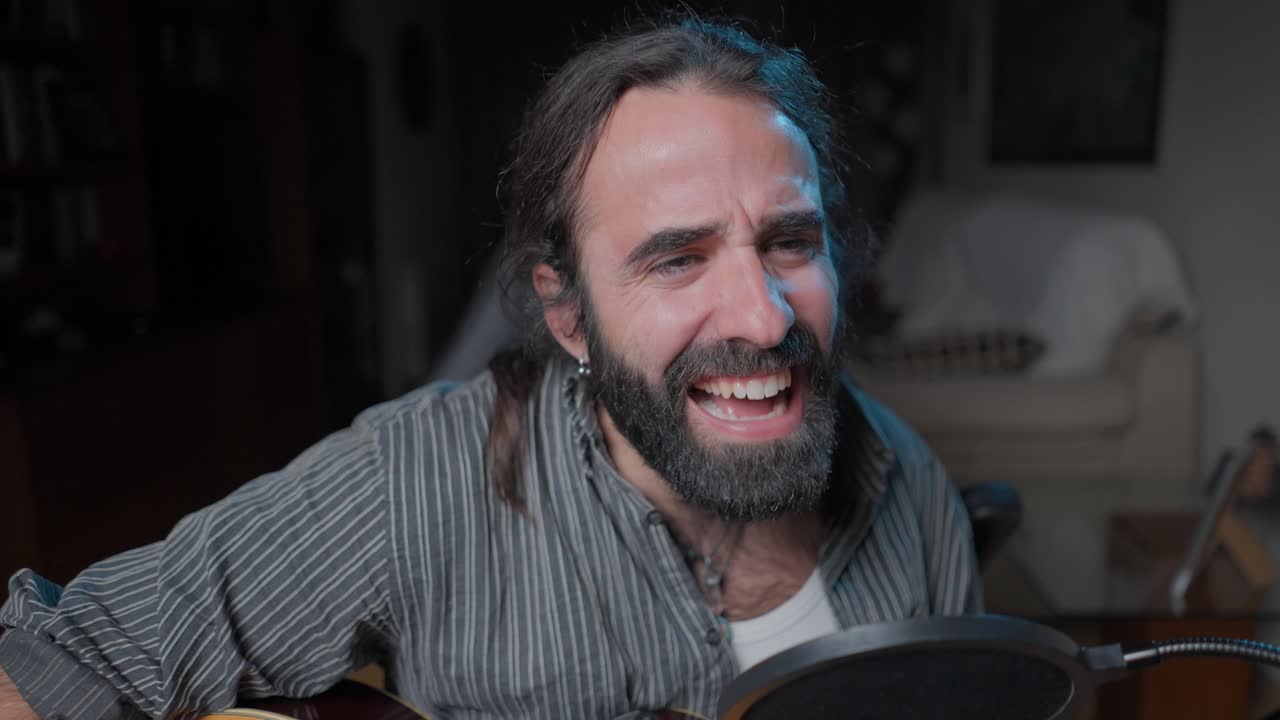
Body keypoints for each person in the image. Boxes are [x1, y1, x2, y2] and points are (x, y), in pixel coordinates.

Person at [0, 15, 981, 720]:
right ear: (568, 317)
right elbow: (48, 666)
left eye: (786, 242)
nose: (762, 319)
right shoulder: (408, 483)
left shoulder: (910, 486)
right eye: (676, 258)